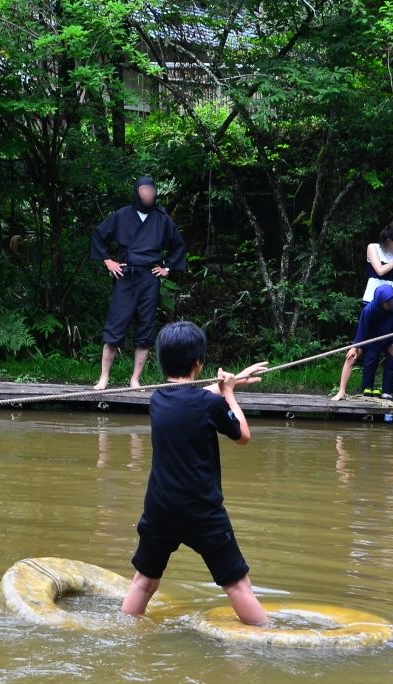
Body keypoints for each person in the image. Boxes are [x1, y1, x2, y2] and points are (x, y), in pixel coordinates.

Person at [121, 321, 269, 625]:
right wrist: (230, 394)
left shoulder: (158, 399)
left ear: (162, 360)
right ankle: (266, 639)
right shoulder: (210, 403)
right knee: (237, 584)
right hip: (202, 512)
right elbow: (242, 435)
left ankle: (123, 631)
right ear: (199, 363)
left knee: (144, 581)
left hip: (160, 509)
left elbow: (193, 398)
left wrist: (231, 383)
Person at [90, 176, 187, 390]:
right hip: (126, 275)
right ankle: (104, 377)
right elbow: (98, 235)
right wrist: (108, 261)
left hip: (150, 278)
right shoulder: (122, 215)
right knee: (116, 325)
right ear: (137, 191)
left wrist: (167, 268)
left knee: (145, 327)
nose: (148, 194)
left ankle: (135, 379)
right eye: (144, 190)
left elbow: (178, 245)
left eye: (151, 190)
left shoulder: (162, 219)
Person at [332, 221, 393, 402]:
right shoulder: (373, 248)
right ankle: (354, 389)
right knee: (362, 352)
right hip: (373, 301)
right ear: (387, 239)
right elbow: (380, 271)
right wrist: (355, 346)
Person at [338, 284, 393, 404]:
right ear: (380, 301)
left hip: (387, 339)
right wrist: (355, 347)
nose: (390, 304)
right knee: (350, 357)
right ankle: (341, 392)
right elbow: (362, 330)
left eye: (391, 300)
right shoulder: (369, 310)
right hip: (369, 339)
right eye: (387, 302)